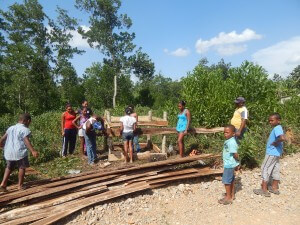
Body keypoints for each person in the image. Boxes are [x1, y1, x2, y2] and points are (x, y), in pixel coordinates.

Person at [0, 113, 39, 192]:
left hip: (9, 151)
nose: (29, 124)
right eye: (29, 122)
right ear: (27, 121)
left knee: (9, 167)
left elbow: (3, 138)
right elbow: (26, 140)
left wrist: (0, 144)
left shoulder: (11, 128)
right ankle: (20, 185)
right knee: (22, 167)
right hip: (19, 151)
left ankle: (3, 184)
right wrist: (33, 150)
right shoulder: (24, 129)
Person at [253, 113, 285, 197]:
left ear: (278, 121)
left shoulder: (277, 128)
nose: (270, 122)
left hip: (271, 153)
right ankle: (274, 187)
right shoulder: (278, 128)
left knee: (265, 168)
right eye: (269, 120)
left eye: (272, 120)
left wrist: (275, 142)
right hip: (276, 153)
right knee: (275, 168)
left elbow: (282, 138)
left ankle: (264, 189)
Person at [218, 125, 239, 205]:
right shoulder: (229, 140)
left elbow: (235, 154)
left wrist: (237, 162)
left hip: (229, 164)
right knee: (231, 180)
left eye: (227, 132)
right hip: (230, 164)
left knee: (226, 181)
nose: (225, 134)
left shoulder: (231, 142)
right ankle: (232, 195)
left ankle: (228, 197)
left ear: (233, 133)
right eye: (224, 132)